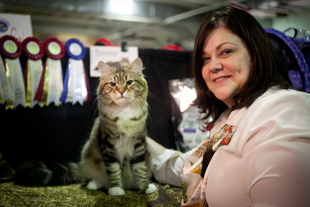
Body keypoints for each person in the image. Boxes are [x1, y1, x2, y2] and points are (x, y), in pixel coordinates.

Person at [147, 6, 310, 207]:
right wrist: (132, 136)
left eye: (226, 52)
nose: (213, 66)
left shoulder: (282, 110)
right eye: (205, 59)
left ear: (255, 53)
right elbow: (185, 166)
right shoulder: (230, 116)